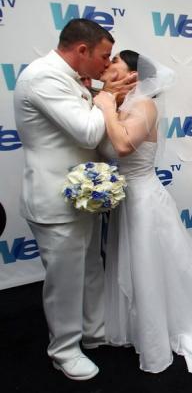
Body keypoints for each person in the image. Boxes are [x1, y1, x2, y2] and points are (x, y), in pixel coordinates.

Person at [93, 51, 192, 380]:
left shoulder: (144, 106)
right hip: (125, 198)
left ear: (134, 75)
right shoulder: (121, 106)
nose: (108, 66)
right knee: (134, 263)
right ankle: (137, 324)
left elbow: (123, 146)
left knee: (151, 264)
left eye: (116, 63)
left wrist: (106, 108)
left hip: (144, 200)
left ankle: (163, 334)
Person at [13, 19, 134, 381]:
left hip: (84, 196)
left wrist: (104, 96)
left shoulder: (73, 78)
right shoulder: (43, 77)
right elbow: (87, 131)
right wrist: (107, 97)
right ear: (82, 50)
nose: (107, 64)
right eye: (104, 56)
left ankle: (95, 331)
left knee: (91, 267)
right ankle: (63, 350)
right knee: (64, 280)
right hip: (53, 200)